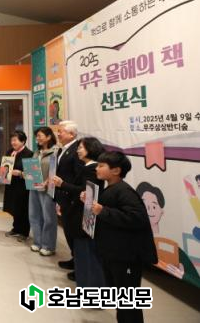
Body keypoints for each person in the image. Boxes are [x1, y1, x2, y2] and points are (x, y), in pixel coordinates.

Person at [86, 151, 156, 323]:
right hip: (114, 253)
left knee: (128, 301)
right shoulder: (110, 188)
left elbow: (137, 218)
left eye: (101, 165)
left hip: (126, 256)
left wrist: (103, 211)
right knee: (120, 297)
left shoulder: (124, 191)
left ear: (116, 170)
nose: (97, 168)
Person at [54, 136, 106, 287]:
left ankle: (88, 286)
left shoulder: (92, 169)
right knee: (81, 251)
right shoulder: (87, 167)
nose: (77, 150)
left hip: (84, 215)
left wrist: (62, 184)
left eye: (81, 148)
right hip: (78, 212)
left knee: (86, 252)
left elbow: (85, 192)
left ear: (91, 149)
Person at [54, 120, 84, 276]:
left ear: (72, 134)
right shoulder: (62, 149)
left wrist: (65, 187)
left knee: (73, 231)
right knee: (68, 231)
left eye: (61, 131)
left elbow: (78, 176)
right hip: (63, 195)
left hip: (72, 197)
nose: (58, 134)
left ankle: (80, 267)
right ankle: (74, 259)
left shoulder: (77, 151)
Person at [28, 127, 58, 256]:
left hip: (48, 189)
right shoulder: (37, 152)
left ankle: (48, 246)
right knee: (34, 215)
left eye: (40, 135)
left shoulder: (55, 151)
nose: (38, 138)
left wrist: (46, 181)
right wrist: (27, 174)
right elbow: (32, 168)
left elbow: (55, 170)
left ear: (49, 136)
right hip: (34, 187)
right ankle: (37, 242)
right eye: (37, 136)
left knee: (48, 218)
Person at [2, 130, 34, 241]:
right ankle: (16, 228)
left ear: (23, 141)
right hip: (11, 185)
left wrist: (20, 173)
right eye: (12, 140)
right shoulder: (10, 151)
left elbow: (31, 175)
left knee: (23, 208)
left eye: (15, 140)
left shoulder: (29, 154)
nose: (13, 142)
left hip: (22, 186)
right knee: (14, 207)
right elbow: (5, 168)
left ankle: (24, 232)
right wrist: (1, 174)